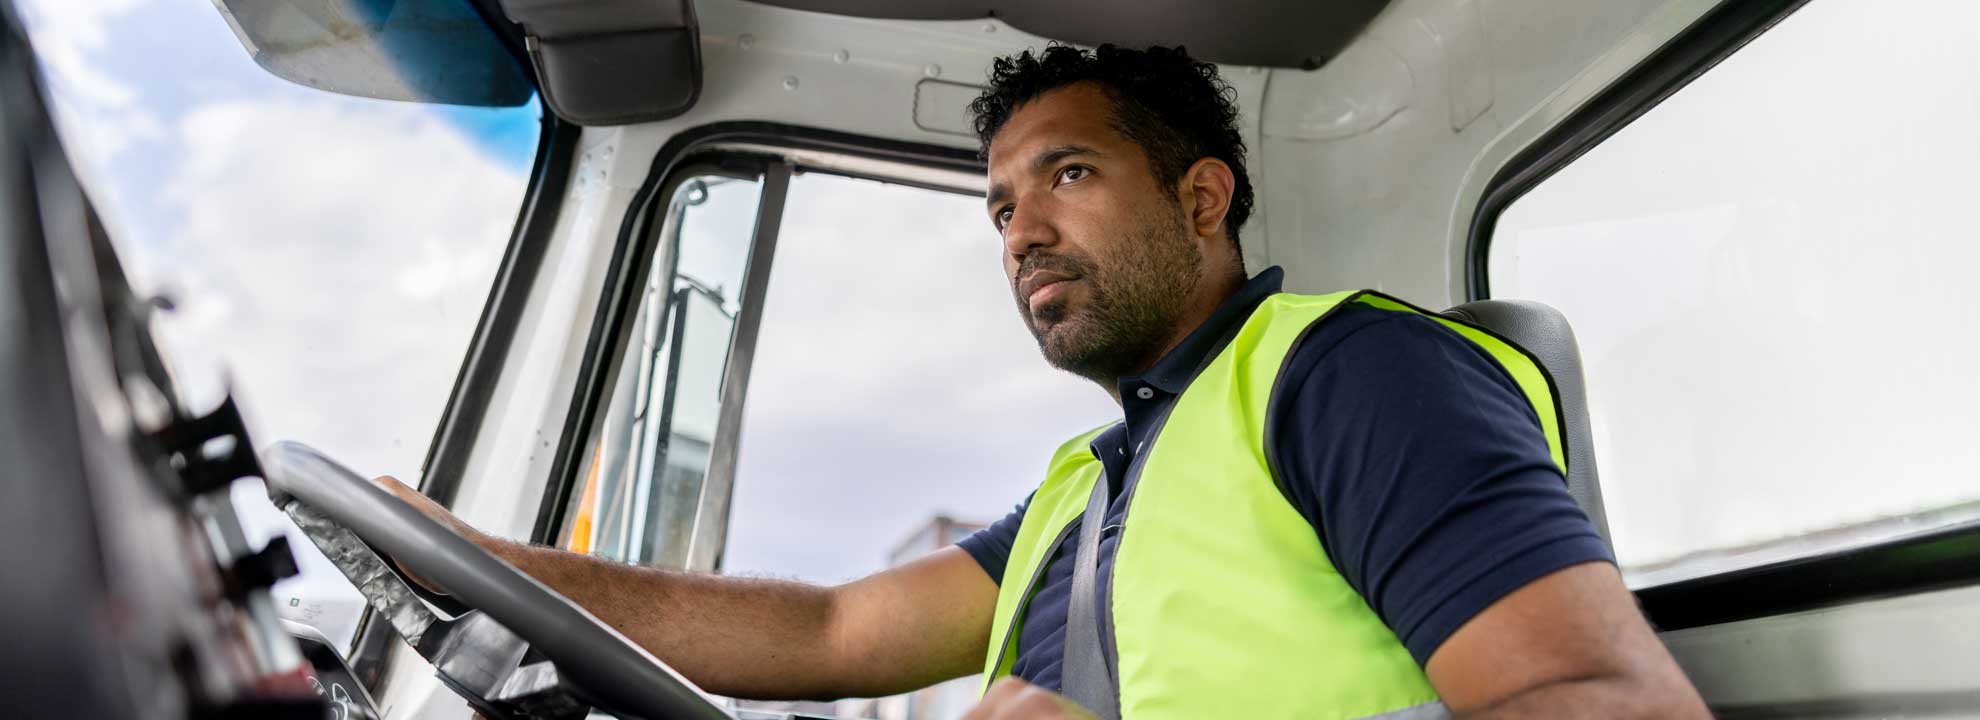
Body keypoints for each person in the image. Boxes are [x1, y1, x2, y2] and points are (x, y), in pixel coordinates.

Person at [378, 44, 1708, 719]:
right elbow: (829, 635)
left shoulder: (1349, 377)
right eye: (1000, 205)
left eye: (1067, 176)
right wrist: (486, 561)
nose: (1019, 231)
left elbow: (1608, 708)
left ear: (1203, 198)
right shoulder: (1092, 487)